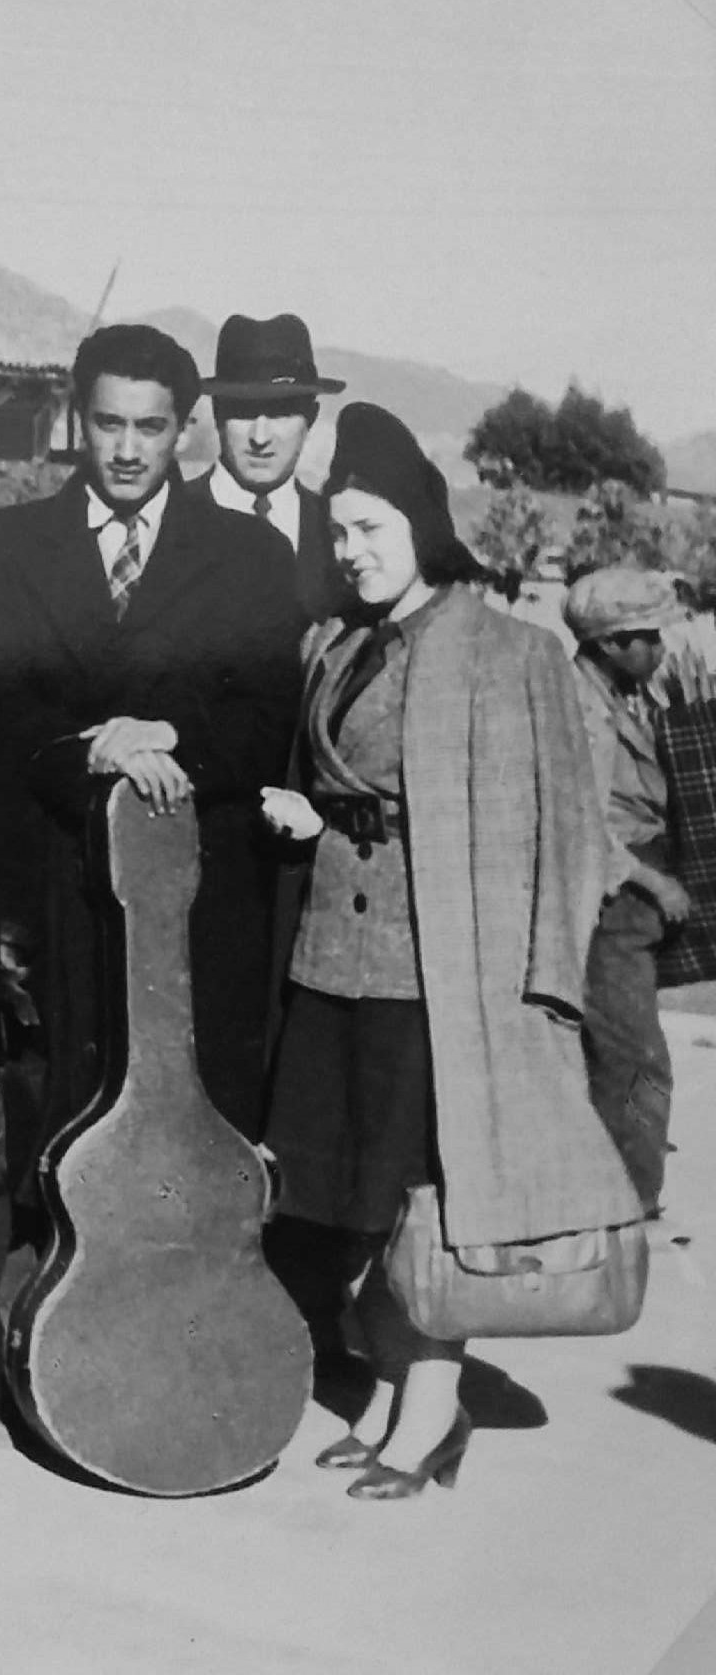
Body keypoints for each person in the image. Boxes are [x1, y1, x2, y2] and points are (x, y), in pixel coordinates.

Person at [258, 403, 631, 1498]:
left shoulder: (509, 651)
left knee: (432, 1199)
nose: (350, 550)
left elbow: (565, 828)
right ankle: (388, 1390)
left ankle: (430, 1414)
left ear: (423, 524)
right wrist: (320, 818)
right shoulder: (341, 641)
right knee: (363, 1203)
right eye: (338, 531)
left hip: (442, 977)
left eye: (371, 528)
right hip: (336, 962)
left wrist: (546, 987)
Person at [0, 325, 300, 1217]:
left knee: (195, 1155)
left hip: (197, 906)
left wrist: (171, 737)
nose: (125, 449)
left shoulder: (251, 556)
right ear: (77, 419)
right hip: (54, 896)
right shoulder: (5, 544)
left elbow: (269, 719)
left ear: (184, 429)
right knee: (56, 1144)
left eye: (150, 428)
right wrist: (91, 751)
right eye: (108, 423)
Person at [564, 564, 690, 1218]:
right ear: (611, 643)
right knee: (635, 1059)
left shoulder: (618, 693)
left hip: (631, 891)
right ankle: (627, 1201)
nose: (660, 650)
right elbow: (581, 820)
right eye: (648, 638)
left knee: (620, 1055)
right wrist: (650, 880)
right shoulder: (586, 710)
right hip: (614, 897)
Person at [194, 312, 348, 619]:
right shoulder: (165, 521)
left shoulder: (339, 533)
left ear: (311, 417)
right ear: (217, 413)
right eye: (244, 411)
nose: (260, 437)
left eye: (280, 413)